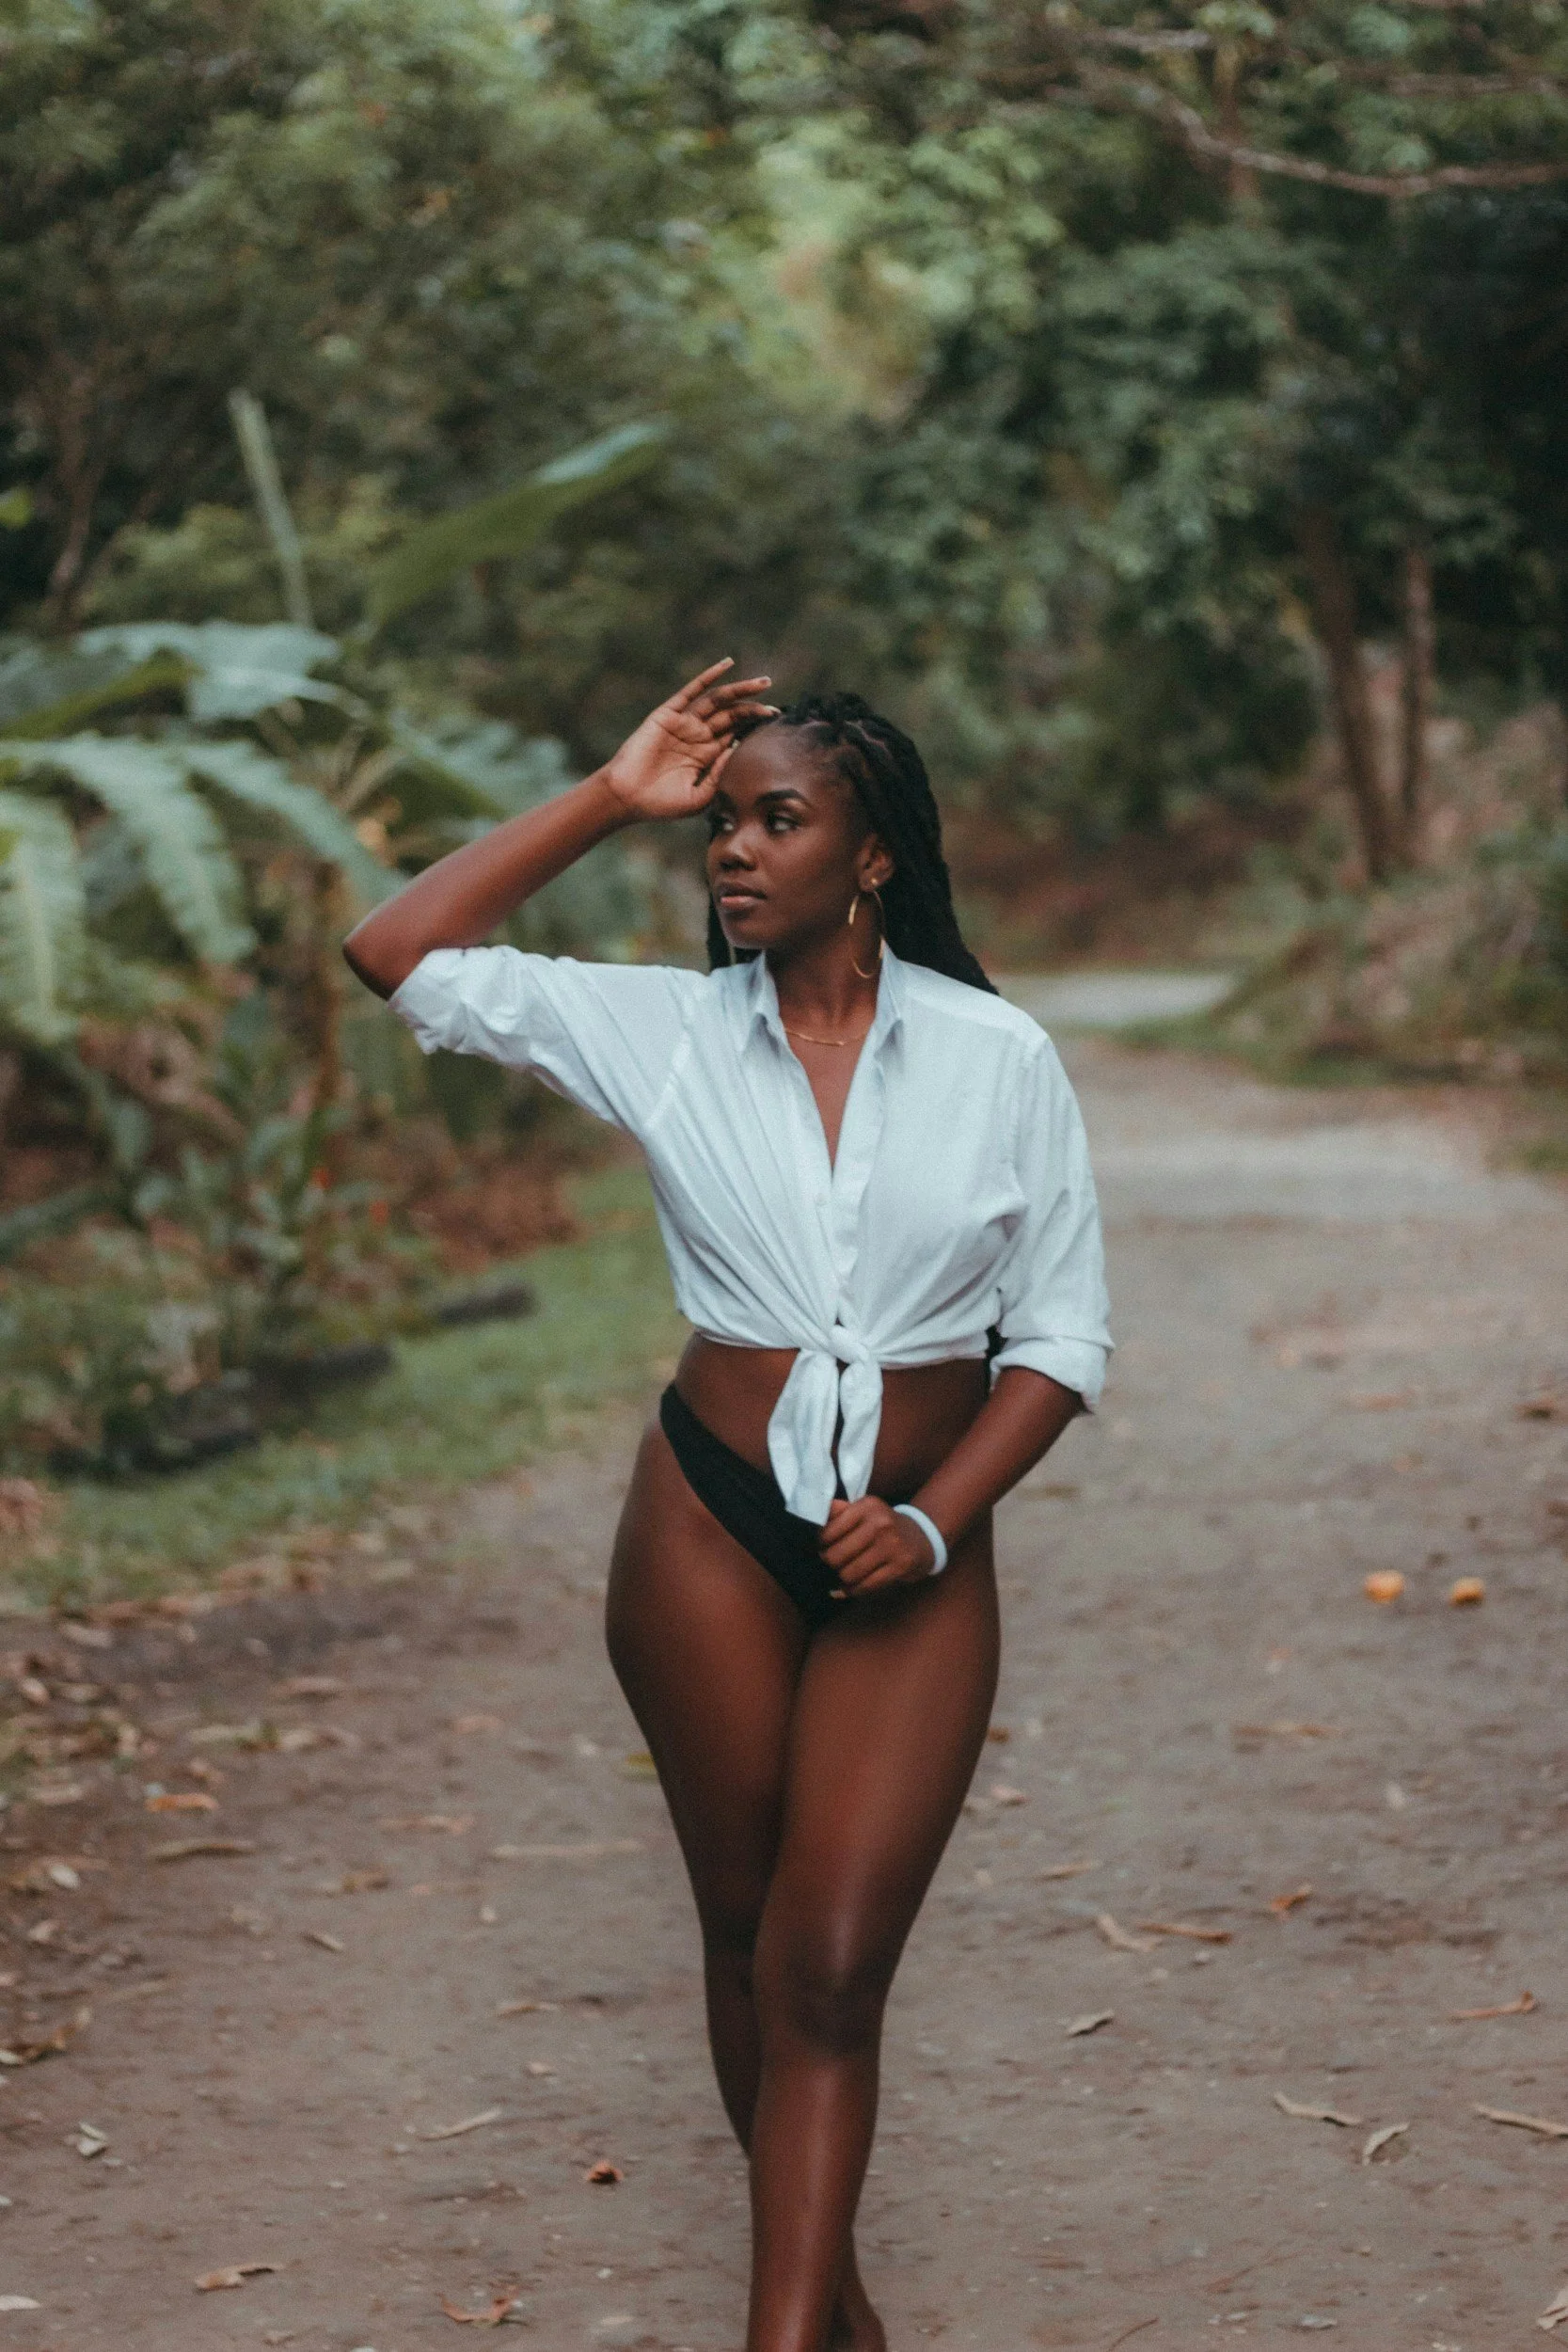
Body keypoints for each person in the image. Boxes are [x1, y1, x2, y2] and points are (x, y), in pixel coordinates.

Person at [342, 661, 1111, 2352]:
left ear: (872, 857)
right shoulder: (666, 1031)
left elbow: (1056, 1337)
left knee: (830, 1964)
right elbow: (397, 952)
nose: (734, 852)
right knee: (746, 1933)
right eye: (721, 823)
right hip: (705, 1524)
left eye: (780, 819)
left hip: (916, 1541)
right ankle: (824, 2322)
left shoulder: (997, 1056)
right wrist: (611, 796)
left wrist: (929, 1522)